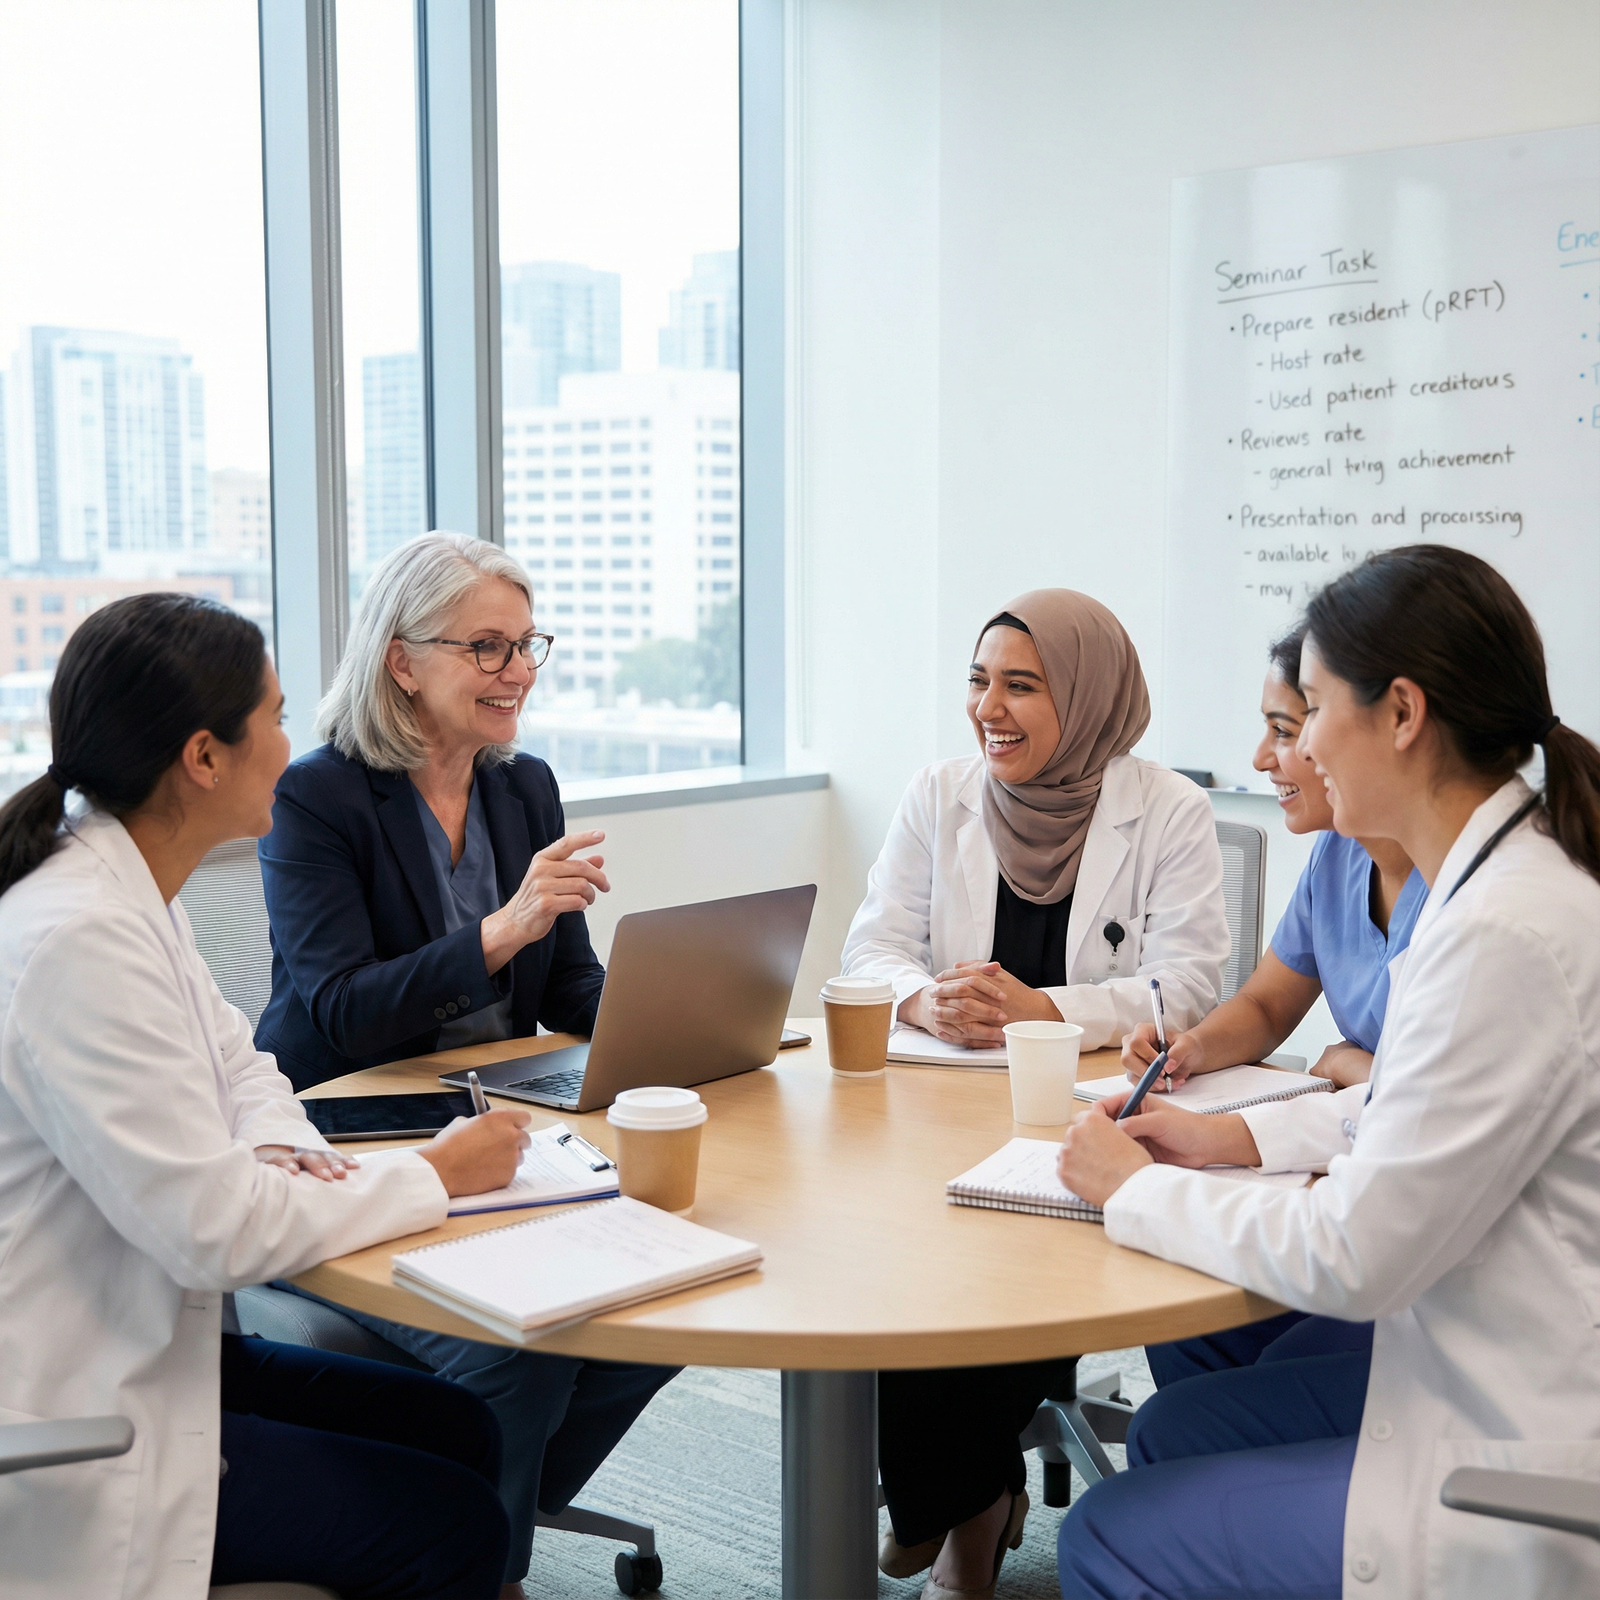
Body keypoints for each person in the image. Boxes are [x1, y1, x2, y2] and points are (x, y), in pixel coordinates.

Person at [1056, 544, 1600, 1600]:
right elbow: (1403, 1119)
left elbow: (1355, 1255)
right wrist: (1228, 1140)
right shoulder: (1499, 880)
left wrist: (1137, 1189)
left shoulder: (1504, 929)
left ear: (1400, 713)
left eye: (1308, 709)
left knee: (1105, 1534)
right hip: (1467, 1355)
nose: (1296, 746)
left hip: (1513, 1457)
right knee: (1174, 1427)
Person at [0, 592, 536, 1600]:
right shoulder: (78, 937)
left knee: (461, 1426)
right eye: (278, 716)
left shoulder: (125, 891)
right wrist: (431, 1175)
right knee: (451, 1522)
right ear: (204, 756)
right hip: (85, 1419)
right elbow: (214, 1232)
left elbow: (243, 1065)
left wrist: (290, 1155)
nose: (293, 746)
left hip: (168, 1342)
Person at [257, 531, 676, 1596]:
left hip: (505, 1124)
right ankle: (487, 1566)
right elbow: (341, 1013)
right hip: (354, 1134)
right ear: (403, 659)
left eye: (527, 643)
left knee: (675, 1282)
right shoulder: (319, 798)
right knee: (523, 1343)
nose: (519, 670)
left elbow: (570, 984)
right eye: (486, 647)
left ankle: (487, 1494)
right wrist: (500, 930)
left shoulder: (521, 785)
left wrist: (660, 1028)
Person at [849, 589, 1231, 1600]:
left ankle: (954, 1517)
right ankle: (954, 1498)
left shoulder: (1169, 809)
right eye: (978, 682)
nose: (989, 708)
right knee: (897, 1257)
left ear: (1091, 697)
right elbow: (871, 946)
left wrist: (1043, 1007)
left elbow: (1190, 982)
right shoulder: (939, 793)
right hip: (936, 1112)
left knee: (989, 1275)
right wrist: (922, 999)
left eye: (1021, 684)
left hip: (1091, 1120)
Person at [1122, 623, 1424, 1387]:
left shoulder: (1468, 894)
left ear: (1393, 726)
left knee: (1224, 1362)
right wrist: (1190, 1047)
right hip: (1345, 1158)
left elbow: (1436, 1089)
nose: (1264, 758)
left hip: (1403, 1223)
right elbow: (1264, 1003)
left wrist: (1366, 1069)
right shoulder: (1339, 852)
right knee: (1185, 1303)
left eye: (1290, 729)